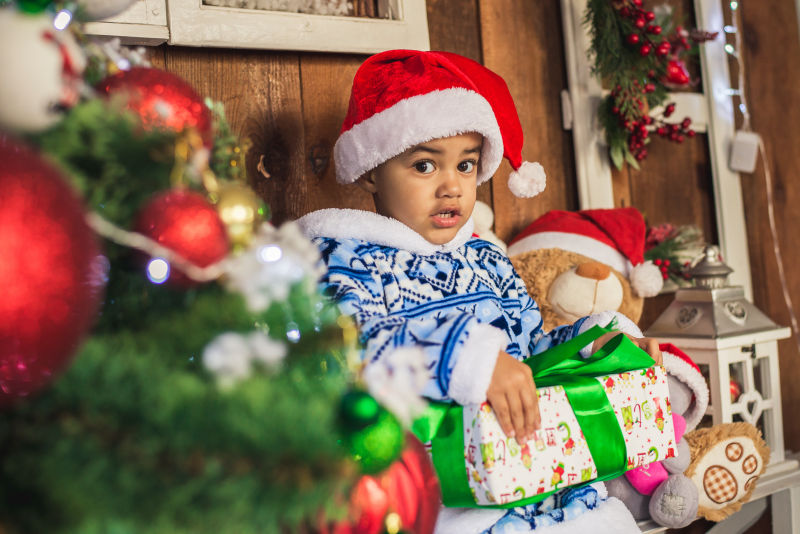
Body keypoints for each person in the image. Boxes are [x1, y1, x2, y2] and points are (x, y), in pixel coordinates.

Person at [298, 49, 661, 534]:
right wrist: (467, 360)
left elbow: (529, 353)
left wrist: (594, 344)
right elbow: (354, 350)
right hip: (444, 493)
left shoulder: (486, 260)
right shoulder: (346, 261)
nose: (451, 187)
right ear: (371, 171)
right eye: (425, 167)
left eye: (466, 166)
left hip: (539, 478)